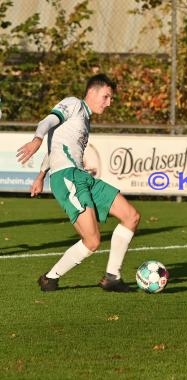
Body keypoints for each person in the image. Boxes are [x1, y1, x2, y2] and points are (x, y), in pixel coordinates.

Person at [17, 73, 140, 292]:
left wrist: (41, 175)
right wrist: (37, 138)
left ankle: (113, 277)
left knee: (131, 216)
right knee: (92, 241)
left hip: (82, 176)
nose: (109, 103)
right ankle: (49, 278)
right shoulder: (73, 104)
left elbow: (57, 145)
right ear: (92, 92)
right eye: (106, 97)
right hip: (68, 178)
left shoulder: (85, 119)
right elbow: (47, 121)